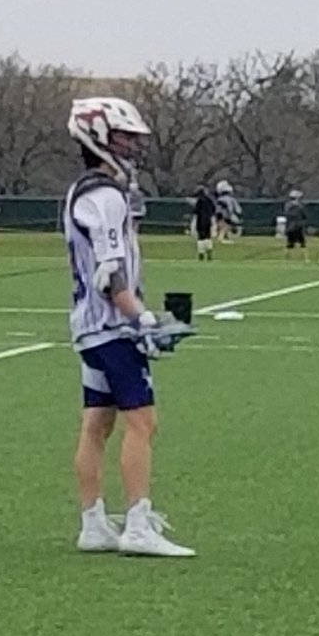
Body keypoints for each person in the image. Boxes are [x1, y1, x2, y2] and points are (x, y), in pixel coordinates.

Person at [64, 96, 194, 558]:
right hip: (111, 328)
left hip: (89, 327)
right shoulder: (105, 196)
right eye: (122, 136)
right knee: (142, 422)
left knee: (96, 422)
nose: (132, 145)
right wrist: (141, 317)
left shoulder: (87, 190)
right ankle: (138, 523)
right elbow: (108, 273)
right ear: (97, 137)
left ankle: (93, 522)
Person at [191, 185, 216, 260]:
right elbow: (213, 210)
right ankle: (209, 252)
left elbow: (195, 211)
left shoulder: (199, 201)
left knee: (201, 237)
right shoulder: (209, 200)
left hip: (200, 220)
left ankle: (201, 253)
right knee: (208, 236)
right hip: (208, 220)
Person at [284, 189, 308, 259]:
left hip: (289, 227)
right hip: (298, 227)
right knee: (302, 243)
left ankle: (287, 258)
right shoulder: (300, 207)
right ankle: (305, 258)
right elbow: (305, 216)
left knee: (289, 244)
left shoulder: (287, 206)